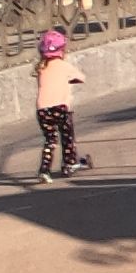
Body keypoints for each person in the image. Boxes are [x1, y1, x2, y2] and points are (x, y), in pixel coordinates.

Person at [31, 28, 90, 182]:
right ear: (62, 50)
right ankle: (69, 164)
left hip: (42, 110)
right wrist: (71, 80)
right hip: (60, 107)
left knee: (50, 140)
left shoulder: (41, 68)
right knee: (67, 137)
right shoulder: (64, 66)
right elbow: (81, 78)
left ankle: (44, 170)